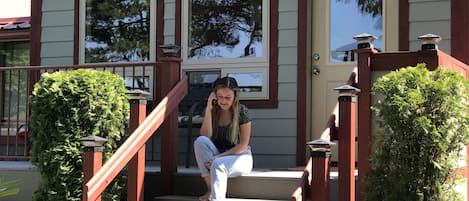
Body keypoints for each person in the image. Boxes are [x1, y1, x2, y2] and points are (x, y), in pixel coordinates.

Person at [193, 76, 253, 201]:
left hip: (241, 158)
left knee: (218, 164)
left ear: (235, 96)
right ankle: (210, 189)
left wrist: (218, 158)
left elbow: (243, 145)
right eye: (220, 97)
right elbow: (206, 135)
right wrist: (209, 109)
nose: (223, 101)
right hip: (217, 155)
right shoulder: (214, 111)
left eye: (227, 97)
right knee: (200, 141)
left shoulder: (243, 112)